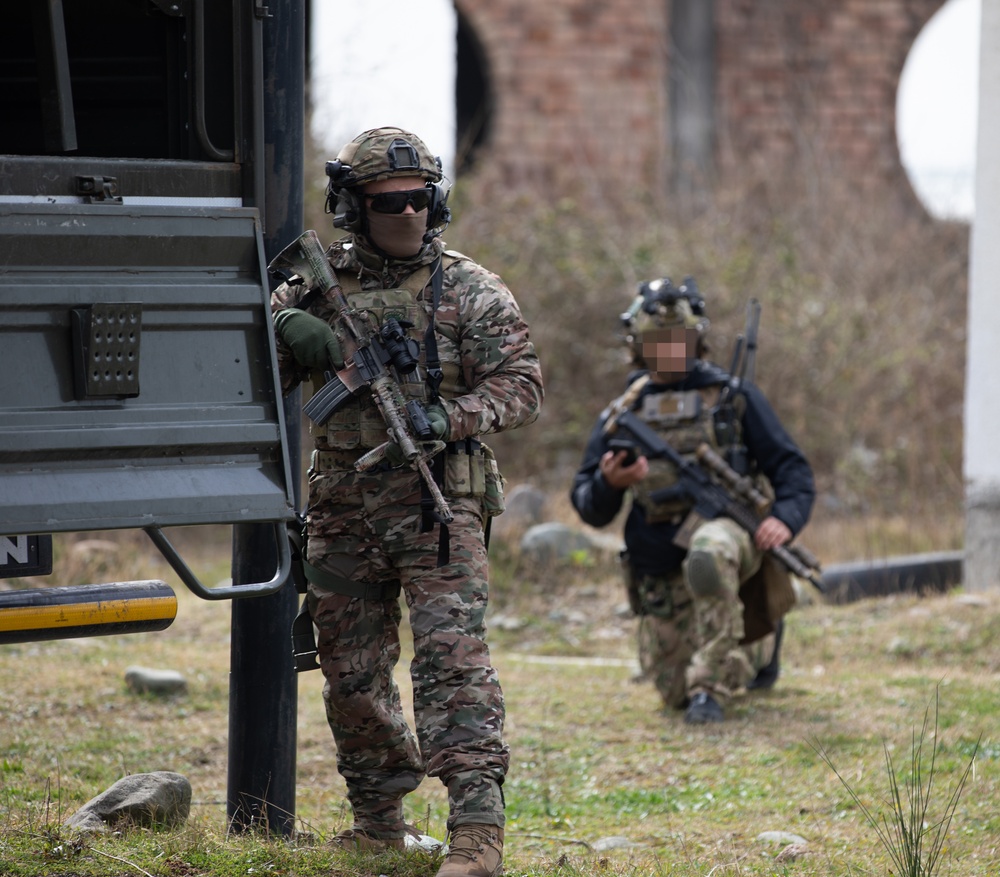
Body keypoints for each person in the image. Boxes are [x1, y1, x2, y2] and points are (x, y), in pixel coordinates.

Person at [269, 127, 543, 877]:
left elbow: (522, 386)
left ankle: (477, 830)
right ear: (353, 206)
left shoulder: (471, 289)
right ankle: (378, 819)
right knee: (350, 669)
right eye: (388, 202)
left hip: (437, 508)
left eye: (418, 199)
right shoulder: (321, 286)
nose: (406, 214)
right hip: (343, 505)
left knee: (453, 666)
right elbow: (247, 349)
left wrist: (445, 418)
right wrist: (283, 325)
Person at [570, 277, 814, 724]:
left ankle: (710, 686)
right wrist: (611, 483)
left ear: (697, 339)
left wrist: (784, 519)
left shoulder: (732, 398)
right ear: (638, 345)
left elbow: (792, 470)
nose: (669, 349)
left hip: (726, 540)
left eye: (679, 340)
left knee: (708, 551)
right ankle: (758, 643)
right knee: (671, 693)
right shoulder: (623, 414)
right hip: (659, 558)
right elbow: (588, 503)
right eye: (656, 341)